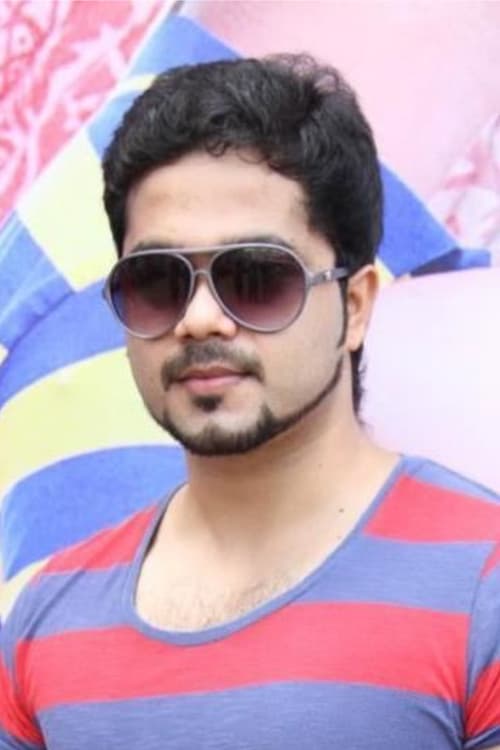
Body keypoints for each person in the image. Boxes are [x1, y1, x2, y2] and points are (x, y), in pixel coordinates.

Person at [1, 54, 499, 750]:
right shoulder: (44, 624)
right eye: (158, 282)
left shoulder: (484, 581)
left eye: (258, 277)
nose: (200, 319)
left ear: (355, 307)